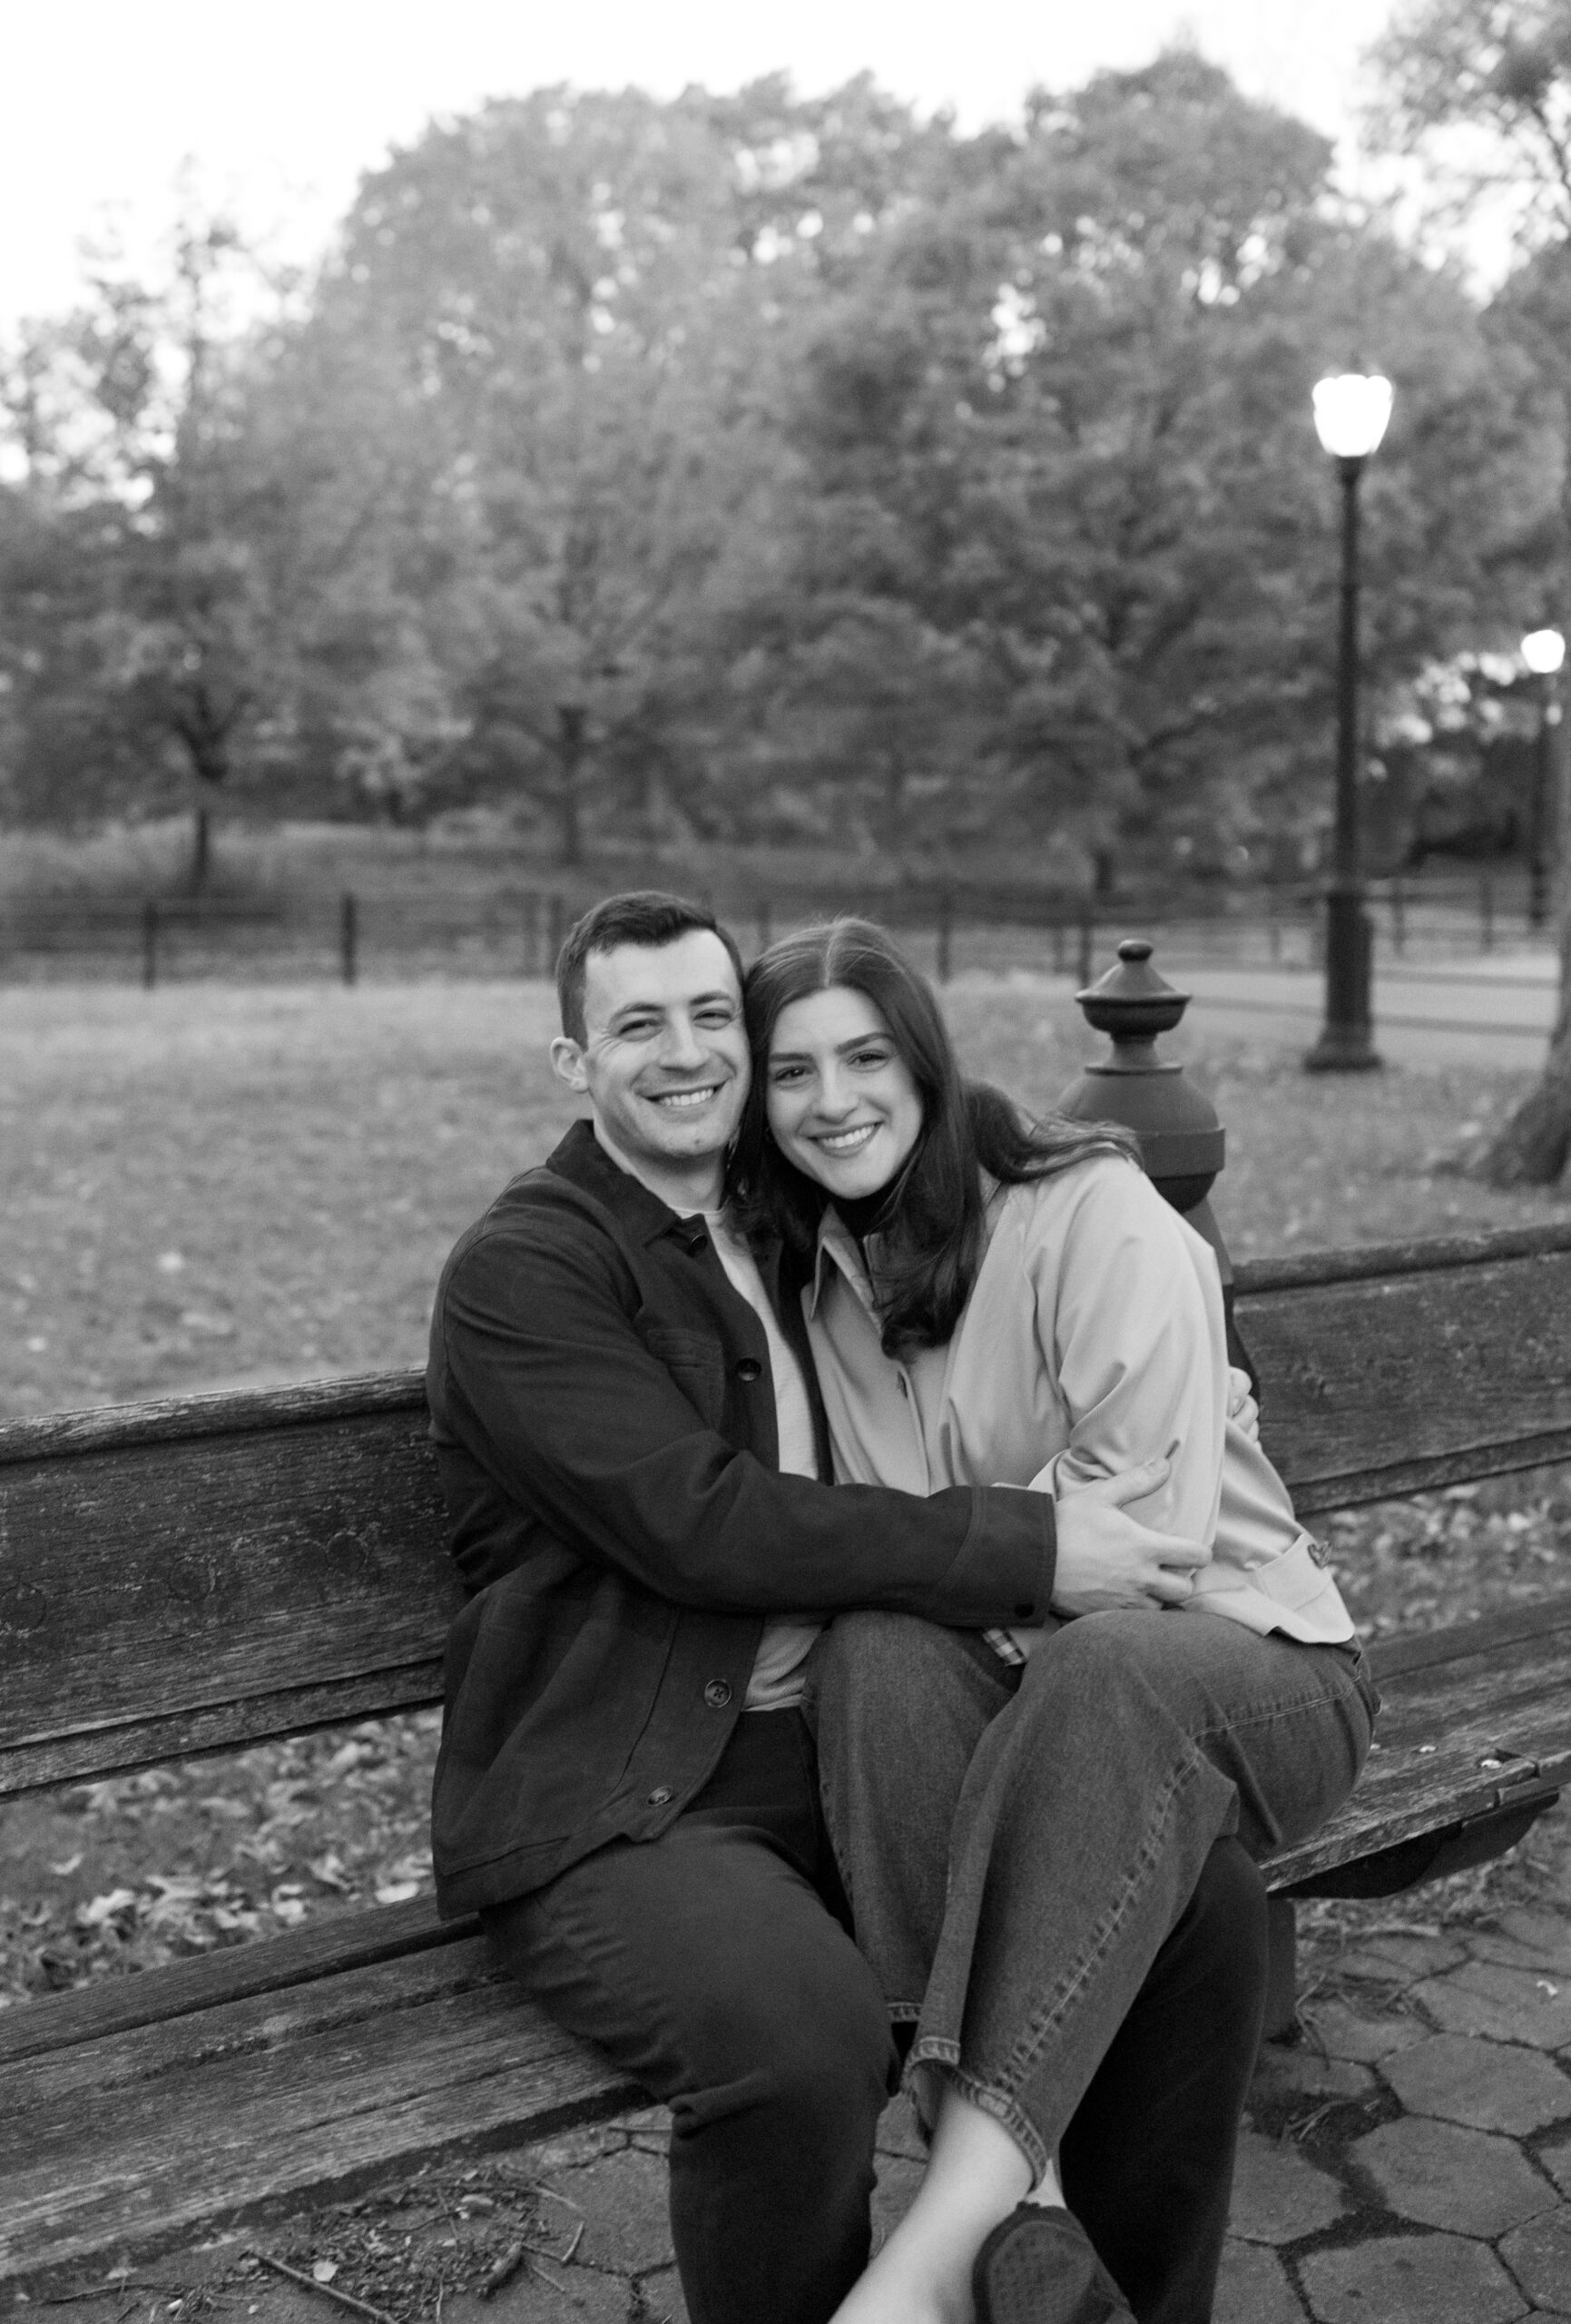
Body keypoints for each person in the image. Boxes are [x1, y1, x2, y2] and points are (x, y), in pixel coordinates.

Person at [426, 891, 1256, 2324]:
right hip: (628, 1794)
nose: (683, 1056)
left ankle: (1103, 2301)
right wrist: (1024, 1544)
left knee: (1201, 1912)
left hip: (845, 1738)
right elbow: (704, 1525)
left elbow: (916, 1124)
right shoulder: (531, 1270)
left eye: (709, 1020)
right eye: (636, 1027)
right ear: (576, 1064)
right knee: (799, 2041)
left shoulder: (796, 1213)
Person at [734, 917, 1380, 2324]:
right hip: (1032, 1693)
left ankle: (933, 2243)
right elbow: (860, 1558)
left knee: (1098, 1671)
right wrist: (925, 1575)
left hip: (1252, 1668)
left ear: (923, 1061)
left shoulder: (1092, 1211)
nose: (831, 1100)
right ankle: (1020, 2230)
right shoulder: (815, 1271)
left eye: (863, 1057)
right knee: (877, 1659)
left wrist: (936, 1561)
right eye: (791, 1073)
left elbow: (1140, 1551)